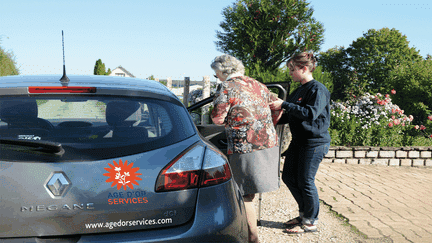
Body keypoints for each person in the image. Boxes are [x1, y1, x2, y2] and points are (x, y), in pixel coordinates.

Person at [210, 54, 283, 243]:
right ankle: (249, 231)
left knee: (244, 192)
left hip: (245, 145)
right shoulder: (258, 84)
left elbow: (217, 119)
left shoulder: (226, 87)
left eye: (216, 73)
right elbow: (278, 107)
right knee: (251, 190)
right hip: (268, 143)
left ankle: (252, 238)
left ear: (224, 71)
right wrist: (265, 126)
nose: (216, 77)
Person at [269, 52, 331, 234]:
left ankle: (311, 221)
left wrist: (284, 105)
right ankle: (304, 214)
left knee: (305, 181)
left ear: (304, 68)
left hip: (314, 142)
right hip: (299, 141)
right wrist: (268, 120)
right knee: (288, 177)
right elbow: (291, 115)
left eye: (292, 69)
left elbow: (310, 113)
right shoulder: (298, 90)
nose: (290, 73)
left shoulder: (317, 89)